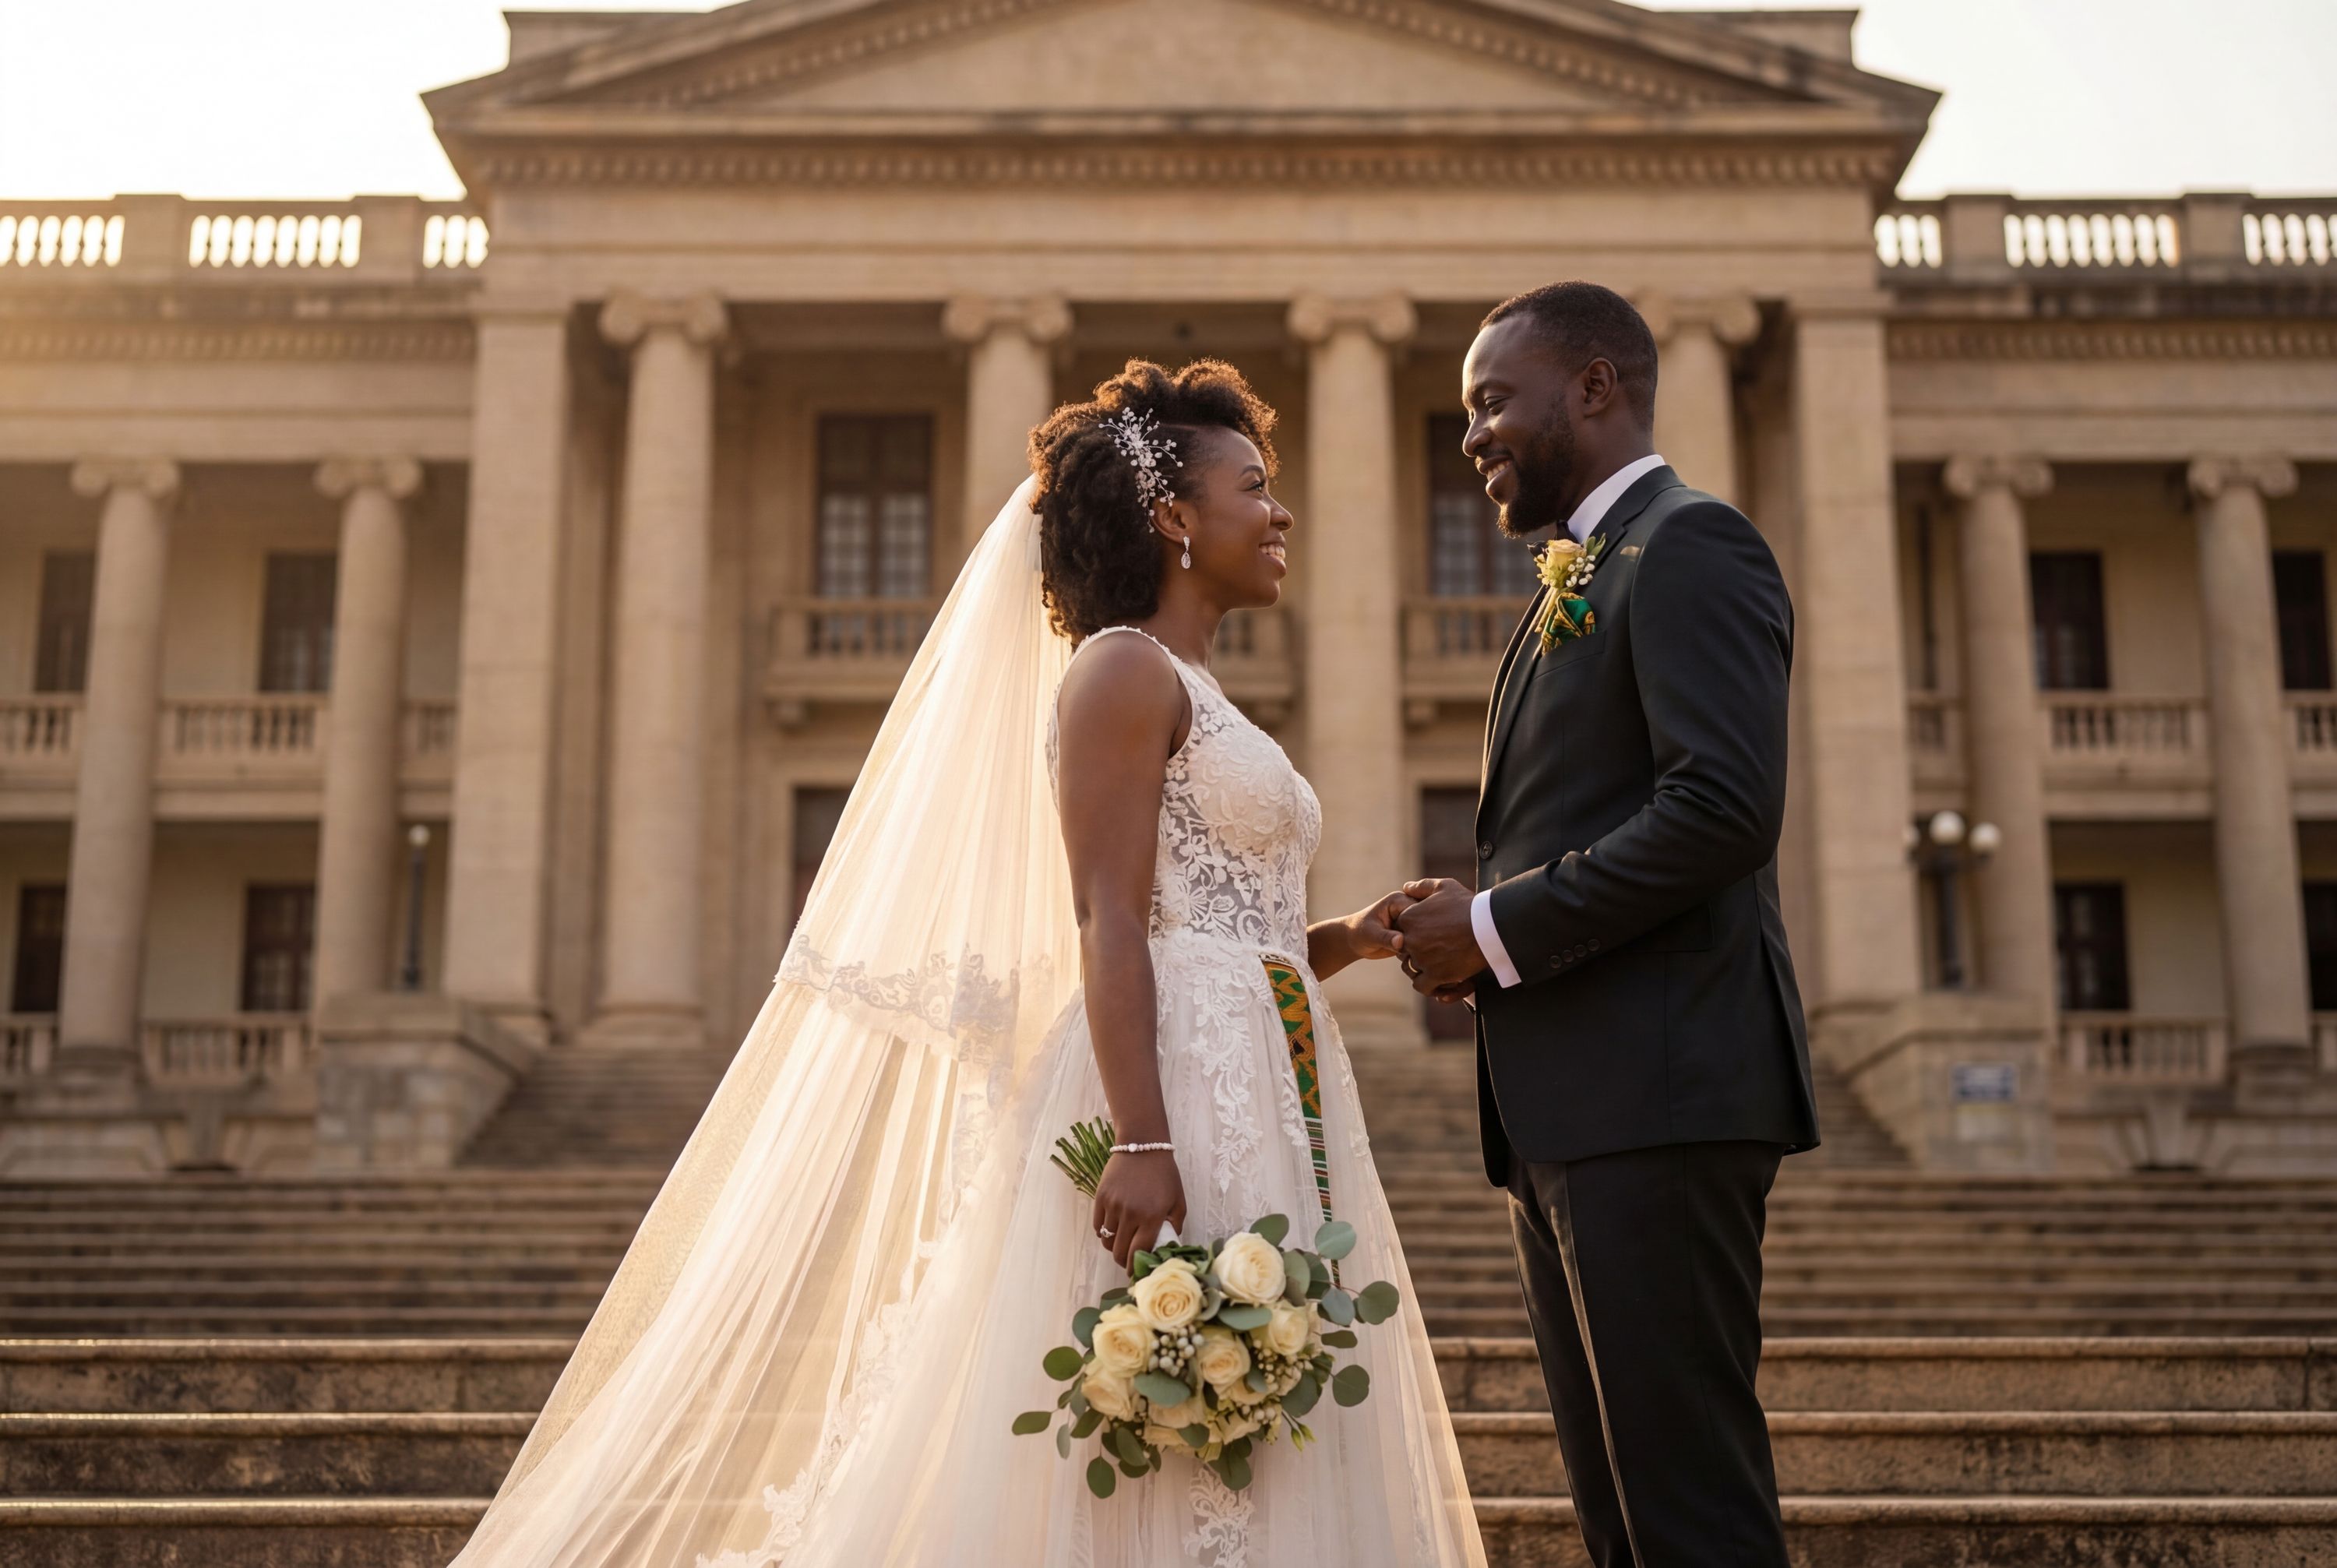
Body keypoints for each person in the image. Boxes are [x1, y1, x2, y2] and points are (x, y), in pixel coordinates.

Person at [446, 358, 1484, 1568]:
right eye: (1253, 486)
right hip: (1174, 1099)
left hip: (1261, 1075)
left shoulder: (1199, 686)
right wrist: (1144, 1140)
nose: (1282, 511)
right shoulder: (1120, 668)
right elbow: (1110, 920)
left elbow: (1218, 936)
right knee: (1174, 1415)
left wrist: (1344, 939)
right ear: (1174, 519)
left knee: (1260, 1406)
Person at [1391, 282, 1819, 1568]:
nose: (1471, 434)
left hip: (1665, 1095)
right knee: (1624, 1522)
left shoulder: (1692, 542)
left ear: (1593, 386)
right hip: (1574, 1106)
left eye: (1490, 401)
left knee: (1688, 1513)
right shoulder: (1585, 568)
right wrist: (1466, 925)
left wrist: (1497, 927)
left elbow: (1723, 810)